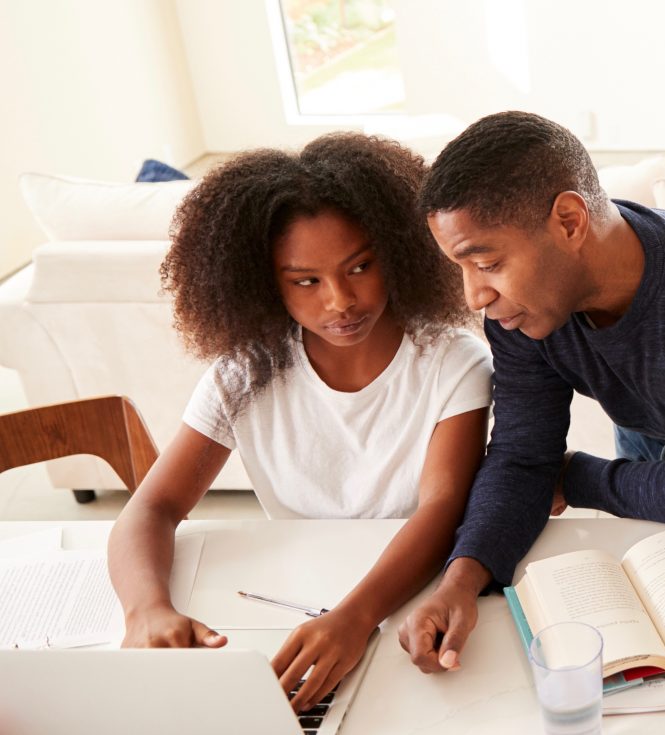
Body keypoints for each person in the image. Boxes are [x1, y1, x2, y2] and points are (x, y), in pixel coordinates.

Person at [397, 111, 665, 674]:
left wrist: (573, 477)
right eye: (462, 268)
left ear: (569, 221)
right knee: (651, 542)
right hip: (645, 408)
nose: (475, 297)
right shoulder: (517, 309)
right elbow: (523, 454)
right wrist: (461, 580)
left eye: (488, 262)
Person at [107, 133, 492, 713]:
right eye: (305, 281)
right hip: (290, 607)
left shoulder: (452, 361)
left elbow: (443, 508)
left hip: (409, 609)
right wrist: (147, 610)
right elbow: (151, 508)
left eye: (360, 266)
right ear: (265, 283)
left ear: (397, 251)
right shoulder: (242, 376)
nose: (340, 300)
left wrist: (357, 617)